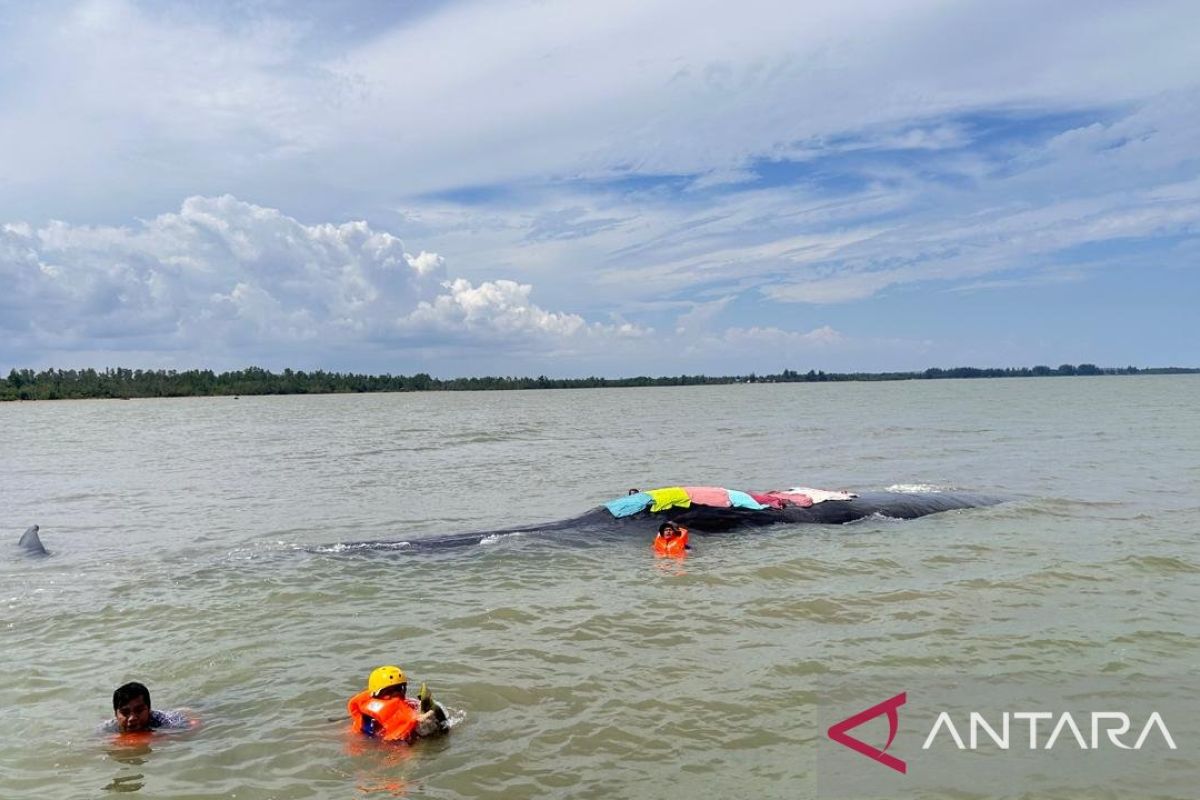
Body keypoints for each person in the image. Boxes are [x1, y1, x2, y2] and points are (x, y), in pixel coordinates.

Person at [347, 665, 448, 743]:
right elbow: (411, 722)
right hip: (390, 745)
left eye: (399, 689)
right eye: (390, 690)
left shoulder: (365, 703)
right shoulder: (395, 708)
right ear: (377, 692)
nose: (396, 694)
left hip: (366, 737)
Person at [101, 682, 191, 734]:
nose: (132, 718)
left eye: (139, 710)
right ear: (116, 714)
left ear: (149, 710)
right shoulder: (107, 728)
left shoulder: (168, 721)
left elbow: (190, 727)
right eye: (125, 712)